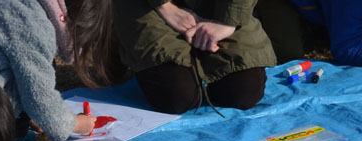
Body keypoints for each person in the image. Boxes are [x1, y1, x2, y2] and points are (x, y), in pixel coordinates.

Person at [0, 0, 120, 141]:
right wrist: (74, 124)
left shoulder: (26, 7)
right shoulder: (34, 25)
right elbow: (40, 96)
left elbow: (20, 73)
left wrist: (37, 115)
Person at [113, 0, 276, 115]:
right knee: (175, 97)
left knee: (243, 93)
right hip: (150, 6)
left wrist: (228, 22)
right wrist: (166, 8)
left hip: (221, 6)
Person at [256, 0, 362, 67]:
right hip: (288, 3)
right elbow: (346, 49)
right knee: (289, 53)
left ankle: (327, 25)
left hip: (341, 9)